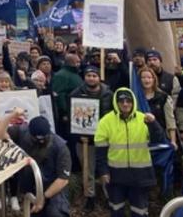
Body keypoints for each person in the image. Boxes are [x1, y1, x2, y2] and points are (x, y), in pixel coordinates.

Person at [95, 88, 165, 217]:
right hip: (115, 175)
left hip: (140, 175)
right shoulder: (106, 121)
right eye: (121, 101)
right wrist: (103, 171)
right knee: (116, 210)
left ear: (133, 102)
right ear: (116, 103)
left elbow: (159, 140)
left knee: (140, 211)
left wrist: (154, 124)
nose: (125, 104)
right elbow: (100, 150)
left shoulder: (143, 118)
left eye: (128, 101)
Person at [0, 113, 71, 217]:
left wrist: (43, 197)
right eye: (36, 139)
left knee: (55, 212)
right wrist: (11, 116)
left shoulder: (60, 147)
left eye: (43, 139)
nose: (40, 141)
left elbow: (63, 179)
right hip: (31, 188)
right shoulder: (21, 132)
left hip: (53, 190)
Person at [67, 66, 113, 211]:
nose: (91, 78)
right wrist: (78, 133)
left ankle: (110, 197)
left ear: (99, 78)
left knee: (106, 169)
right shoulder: (76, 93)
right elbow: (71, 116)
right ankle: (90, 197)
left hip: (105, 139)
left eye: (94, 75)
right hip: (84, 140)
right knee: (88, 170)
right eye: (89, 75)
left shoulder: (108, 94)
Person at [51, 54, 83, 141]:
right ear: (72, 62)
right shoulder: (61, 76)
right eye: (78, 62)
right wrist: (65, 112)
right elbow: (59, 95)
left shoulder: (75, 74)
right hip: (67, 115)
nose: (79, 64)